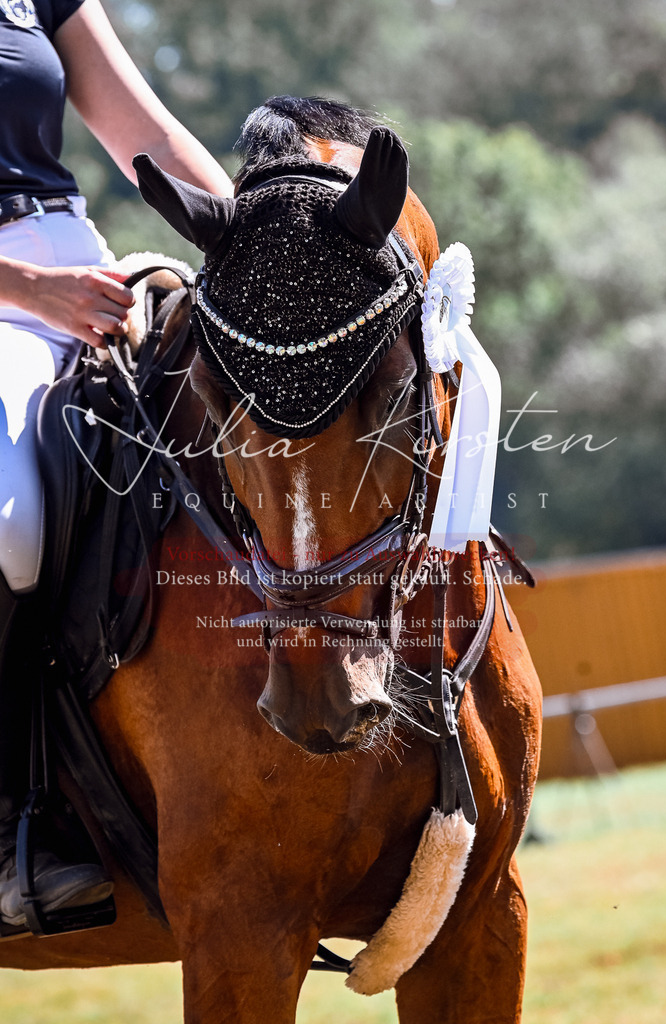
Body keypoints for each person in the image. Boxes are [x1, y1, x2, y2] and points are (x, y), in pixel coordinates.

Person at [0, 0, 232, 928]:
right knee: (13, 522)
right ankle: (10, 826)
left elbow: (151, 139)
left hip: (84, 266)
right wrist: (28, 289)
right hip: (15, 296)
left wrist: (265, 240)